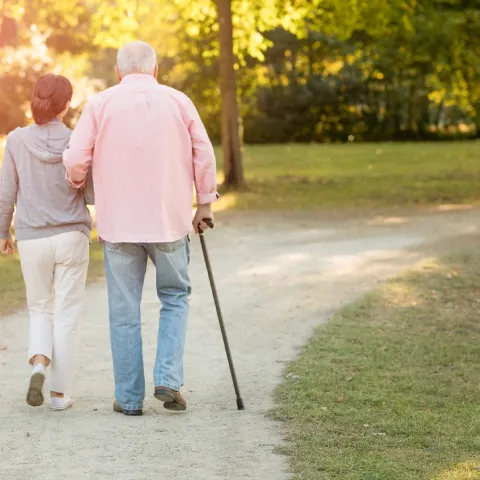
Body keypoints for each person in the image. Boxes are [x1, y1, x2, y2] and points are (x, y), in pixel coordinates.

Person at [63, 41, 218, 417]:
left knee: (124, 310)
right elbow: (204, 150)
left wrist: (77, 181)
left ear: (118, 73)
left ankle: (129, 399)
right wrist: (205, 202)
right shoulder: (179, 101)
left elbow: (75, 157)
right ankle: (167, 377)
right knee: (175, 298)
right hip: (169, 221)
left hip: (120, 226)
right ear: (156, 69)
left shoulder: (100, 104)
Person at [0, 74, 94, 411]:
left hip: (32, 237)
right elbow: (91, 190)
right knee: (66, 315)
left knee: (39, 307)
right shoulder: (76, 141)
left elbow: (6, 192)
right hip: (72, 235)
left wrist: (2, 232)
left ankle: (39, 362)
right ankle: (58, 395)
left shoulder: (17, 140)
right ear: (66, 105)